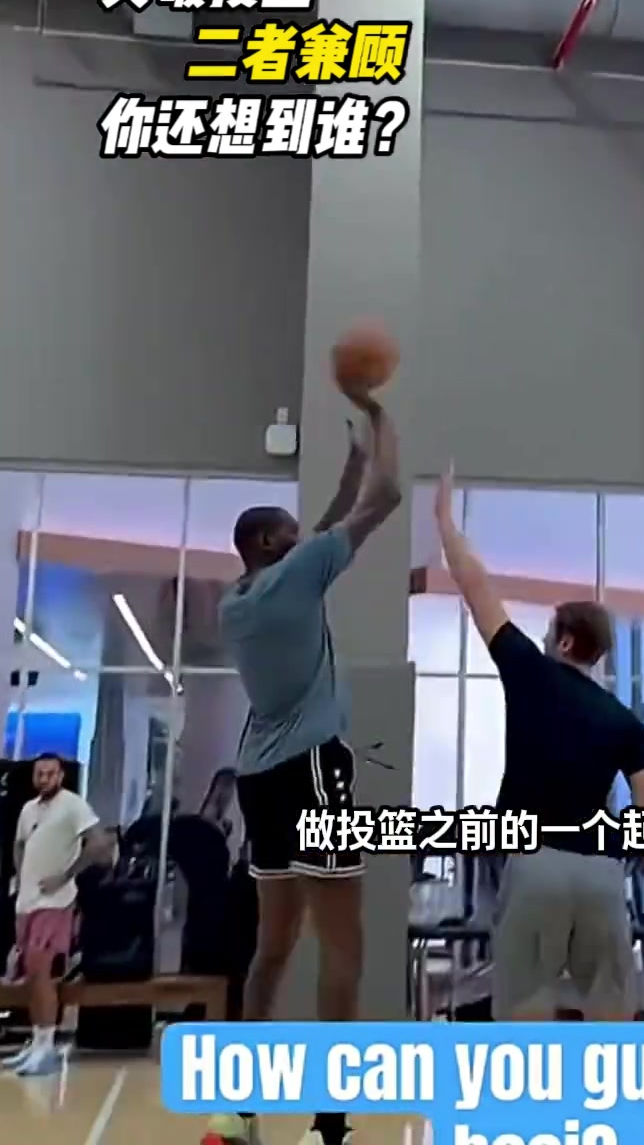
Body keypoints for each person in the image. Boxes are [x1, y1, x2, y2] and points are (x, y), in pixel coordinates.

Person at [210, 400, 401, 1145]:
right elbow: (385, 499)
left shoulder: (238, 600)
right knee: (344, 948)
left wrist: (348, 466)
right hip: (314, 771)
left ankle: (238, 1109)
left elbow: (319, 532)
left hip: (258, 778)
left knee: (274, 946)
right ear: (269, 542)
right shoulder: (298, 576)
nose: (303, 533)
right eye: (288, 529)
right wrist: (379, 418)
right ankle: (329, 1122)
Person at [433, 471, 644, 1021]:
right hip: (601, 877)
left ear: (565, 641)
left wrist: (445, 522)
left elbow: (475, 584)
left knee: (524, 1019)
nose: (543, 640)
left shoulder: (530, 672)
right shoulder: (624, 722)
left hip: (535, 866)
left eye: (549, 634)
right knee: (610, 1022)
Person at [5, 753, 108, 1076]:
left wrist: (65, 875)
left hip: (55, 903)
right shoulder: (28, 809)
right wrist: (23, 877)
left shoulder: (73, 806)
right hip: (27, 902)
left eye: (50, 773)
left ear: (61, 776)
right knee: (30, 976)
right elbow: (20, 845)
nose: (44, 779)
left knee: (42, 971)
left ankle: (47, 1046)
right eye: (39, 773)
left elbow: (99, 843)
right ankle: (37, 1042)